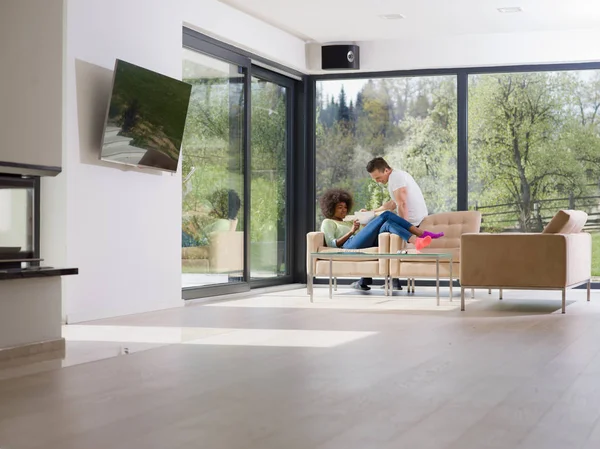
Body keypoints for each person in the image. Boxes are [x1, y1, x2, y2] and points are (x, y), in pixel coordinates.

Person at [320, 189, 443, 290]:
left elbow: (361, 237)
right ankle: (420, 234)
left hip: (357, 243)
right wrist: (352, 231)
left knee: (387, 224)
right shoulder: (328, 222)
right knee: (386, 214)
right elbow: (333, 244)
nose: (344, 210)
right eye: (340, 207)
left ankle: (417, 242)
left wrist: (364, 224)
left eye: (345, 207)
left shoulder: (347, 221)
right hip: (348, 246)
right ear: (331, 208)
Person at [355, 157, 442, 291]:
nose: (378, 182)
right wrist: (373, 211)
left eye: (378, 178)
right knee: (379, 233)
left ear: (386, 170)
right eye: (374, 179)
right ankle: (379, 280)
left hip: (413, 222)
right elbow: (392, 204)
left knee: (378, 234)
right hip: (412, 221)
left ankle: (371, 279)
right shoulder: (396, 177)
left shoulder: (396, 177)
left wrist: (403, 226)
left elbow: (402, 203)